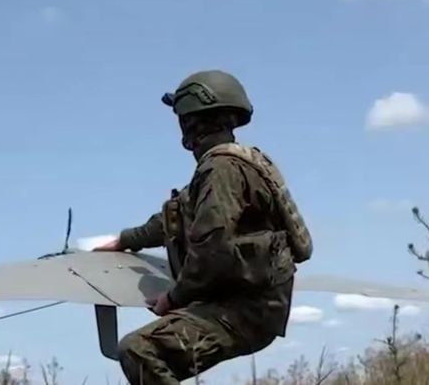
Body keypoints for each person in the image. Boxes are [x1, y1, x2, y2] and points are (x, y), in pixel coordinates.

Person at [94, 69, 313, 385]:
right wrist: (125, 240)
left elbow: (212, 249)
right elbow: (174, 218)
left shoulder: (221, 169)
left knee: (139, 350)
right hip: (251, 304)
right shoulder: (231, 164)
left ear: (190, 119)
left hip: (246, 310)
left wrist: (173, 298)